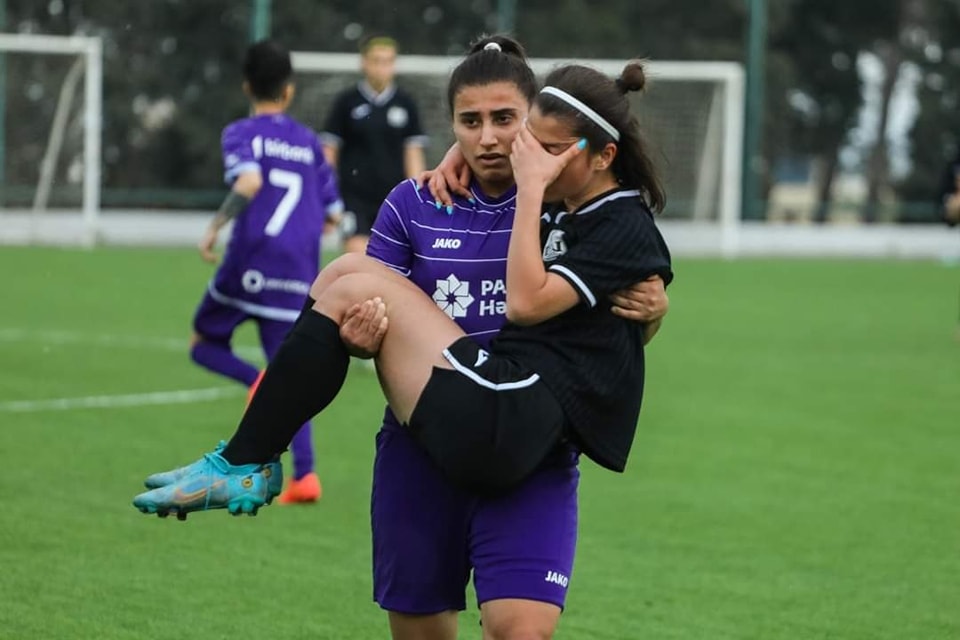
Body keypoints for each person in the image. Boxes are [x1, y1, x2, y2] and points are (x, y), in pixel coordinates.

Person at [135, 50, 672, 639]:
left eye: (504, 120)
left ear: (532, 124)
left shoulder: (560, 201)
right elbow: (367, 326)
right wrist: (358, 337)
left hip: (521, 429)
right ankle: (250, 459)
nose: (488, 138)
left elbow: (609, 312)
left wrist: (653, 312)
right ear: (450, 125)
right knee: (346, 279)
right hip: (426, 439)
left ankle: (245, 460)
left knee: (520, 630)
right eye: (469, 122)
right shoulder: (416, 201)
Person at [155, 39, 343, 505]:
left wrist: (215, 227)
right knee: (291, 373)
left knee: (203, 343)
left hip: (249, 264)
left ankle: (251, 379)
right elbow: (334, 215)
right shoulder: (310, 144)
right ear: (289, 90)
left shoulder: (242, 133)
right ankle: (306, 476)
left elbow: (250, 180)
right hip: (298, 272)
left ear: (246, 86)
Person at [321, 34, 428, 254]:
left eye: (387, 61)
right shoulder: (347, 102)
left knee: (389, 261)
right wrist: (327, 196)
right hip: (353, 199)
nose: (381, 68)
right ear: (364, 63)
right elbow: (329, 152)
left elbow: (413, 154)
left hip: (393, 198)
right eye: (376, 61)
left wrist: (417, 197)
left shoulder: (406, 103)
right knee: (358, 257)